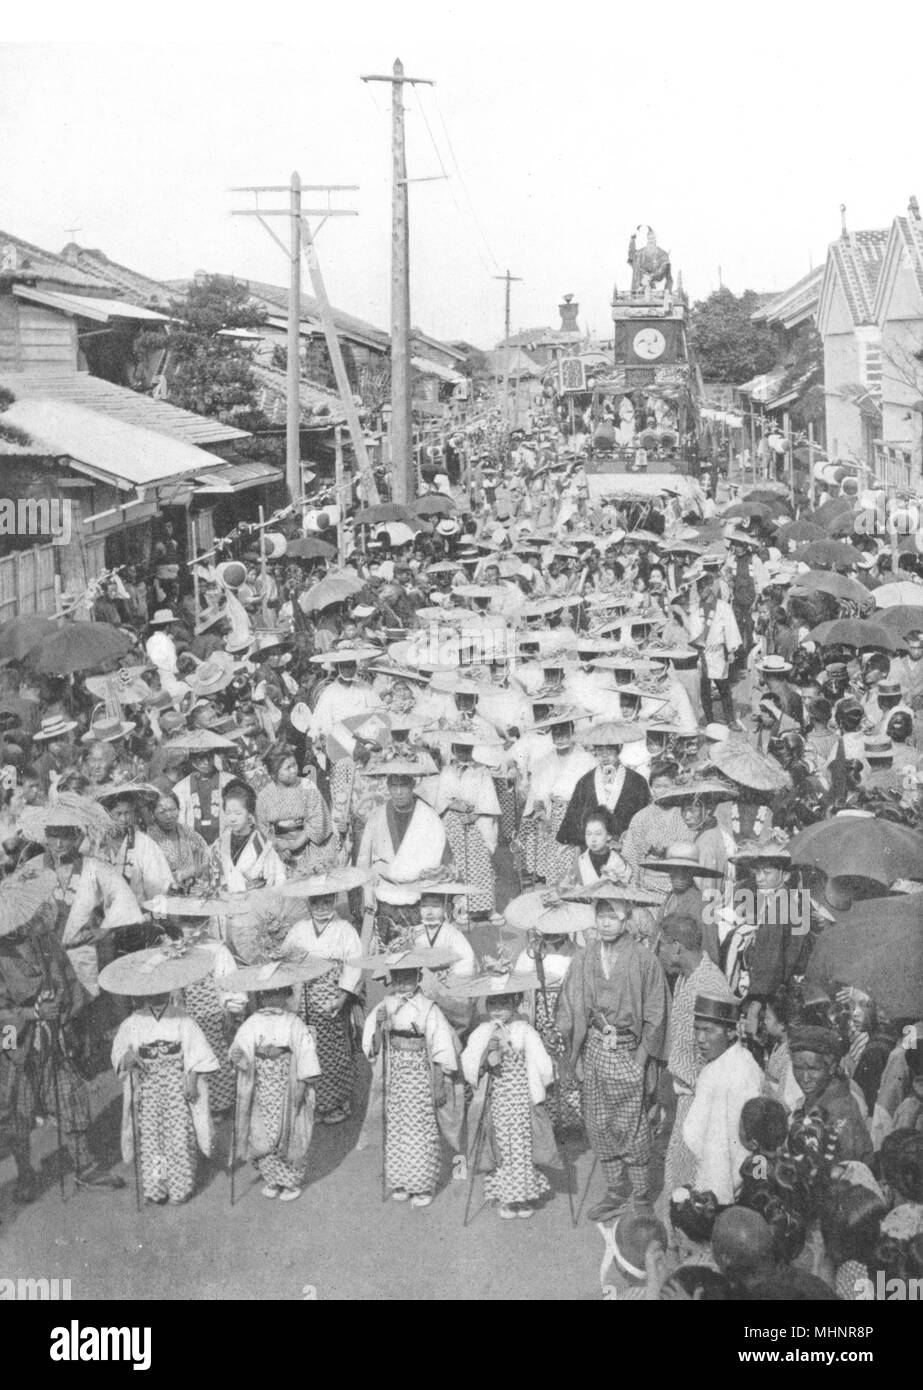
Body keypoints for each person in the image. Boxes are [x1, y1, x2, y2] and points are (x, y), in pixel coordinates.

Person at [0, 880, 122, 1200]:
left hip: (54, 1034)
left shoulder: (45, 940)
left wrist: (66, 1013)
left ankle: (84, 1165)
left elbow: (67, 978)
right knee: (18, 1110)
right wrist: (31, 1014)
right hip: (12, 1041)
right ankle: (26, 1173)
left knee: (70, 1096)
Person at [556, 889, 670, 1221]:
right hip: (594, 1048)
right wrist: (561, 1034)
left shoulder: (644, 959)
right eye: (601, 915)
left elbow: (656, 1013)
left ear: (625, 918)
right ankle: (616, 1190)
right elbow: (570, 1003)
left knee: (632, 1127)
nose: (605, 923)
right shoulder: (584, 957)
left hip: (628, 1050)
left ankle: (641, 1194)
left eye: (612, 916)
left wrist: (641, 1061)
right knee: (598, 1123)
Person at [361, 952, 462, 1208]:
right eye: (398, 977)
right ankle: (401, 1181)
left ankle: (422, 1184)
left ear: (418, 977)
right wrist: (378, 1028)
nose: (403, 982)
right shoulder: (384, 1006)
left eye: (409, 976)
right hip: (396, 1073)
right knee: (396, 1128)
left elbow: (441, 1048)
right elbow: (372, 1047)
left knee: (420, 1129)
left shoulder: (429, 1008)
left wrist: (438, 1083)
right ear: (391, 978)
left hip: (419, 1073)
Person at [110, 980, 219, 1206]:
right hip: (147, 1085)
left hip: (175, 1084)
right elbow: (120, 1051)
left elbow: (199, 1052)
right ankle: (160, 1185)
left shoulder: (182, 1018)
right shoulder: (133, 1022)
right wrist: (127, 1056)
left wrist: (192, 1078)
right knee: (153, 1139)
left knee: (178, 1136)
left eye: (162, 988)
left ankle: (180, 1187)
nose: (157, 994)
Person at [460, 969, 557, 1219]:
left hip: (520, 1095)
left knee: (522, 1146)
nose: (498, 1010)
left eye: (504, 1003)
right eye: (493, 1003)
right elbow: (469, 1061)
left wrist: (546, 1080)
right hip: (496, 1095)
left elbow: (541, 1062)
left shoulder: (524, 1030)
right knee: (500, 1146)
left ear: (515, 1003)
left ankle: (523, 1197)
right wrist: (485, 1060)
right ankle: (505, 1197)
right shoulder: (483, 1031)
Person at [229, 963, 323, 1202]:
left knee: (289, 1132)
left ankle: (290, 1182)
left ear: (286, 995)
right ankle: (272, 1178)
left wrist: (303, 1082)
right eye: (267, 993)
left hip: (287, 1085)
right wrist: (239, 1054)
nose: (271, 998)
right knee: (262, 1133)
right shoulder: (252, 1022)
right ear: (260, 997)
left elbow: (306, 1054)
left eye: (277, 993)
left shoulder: (294, 1023)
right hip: (261, 1087)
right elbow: (239, 1050)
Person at [656, 913, 730, 1215]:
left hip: (702, 1099)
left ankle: (677, 1246)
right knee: (678, 1172)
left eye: (661, 945)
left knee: (683, 1178)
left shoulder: (710, 985)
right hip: (685, 1092)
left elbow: (719, 1055)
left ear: (676, 947)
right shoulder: (686, 978)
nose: (657, 950)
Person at [283, 877, 363, 1126]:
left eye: (327, 901)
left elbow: (354, 965)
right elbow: (286, 957)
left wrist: (342, 997)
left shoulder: (345, 930)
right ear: (309, 903)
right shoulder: (299, 929)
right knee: (307, 1051)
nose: (321, 907)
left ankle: (336, 1102)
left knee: (333, 1052)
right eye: (316, 902)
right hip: (304, 997)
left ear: (335, 901)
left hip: (331, 995)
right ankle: (314, 1103)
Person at [682, 990, 764, 1205]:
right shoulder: (742, 1060)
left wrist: (713, 1201)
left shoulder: (726, 1075)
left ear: (730, 1032)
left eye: (709, 1031)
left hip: (722, 1190)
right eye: (697, 1029)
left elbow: (719, 1149)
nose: (700, 1039)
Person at [789, 1025, 874, 1164]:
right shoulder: (818, 1095)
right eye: (798, 1068)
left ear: (831, 1067)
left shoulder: (840, 1114)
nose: (804, 1077)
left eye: (813, 1069)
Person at [255, 747, 336, 877]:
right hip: (281, 854)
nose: (294, 770)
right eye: (288, 768)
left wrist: (293, 845)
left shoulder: (306, 786)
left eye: (294, 764)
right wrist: (277, 848)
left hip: (311, 848)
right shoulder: (264, 796)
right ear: (274, 773)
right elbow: (263, 829)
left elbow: (317, 821)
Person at [209, 780, 287, 896]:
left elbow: (278, 882)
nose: (232, 819)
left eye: (238, 813)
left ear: (249, 814)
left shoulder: (263, 845)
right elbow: (214, 882)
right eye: (228, 813)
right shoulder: (219, 845)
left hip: (256, 906)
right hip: (225, 906)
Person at [147, 791, 211, 893]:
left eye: (173, 810)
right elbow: (151, 877)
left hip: (195, 892)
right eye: (162, 812)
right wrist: (183, 875)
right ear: (153, 814)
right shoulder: (148, 839)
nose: (169, 816)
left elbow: (206, 852)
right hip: (165, 896)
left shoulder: (187, 831)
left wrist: (202, 868)